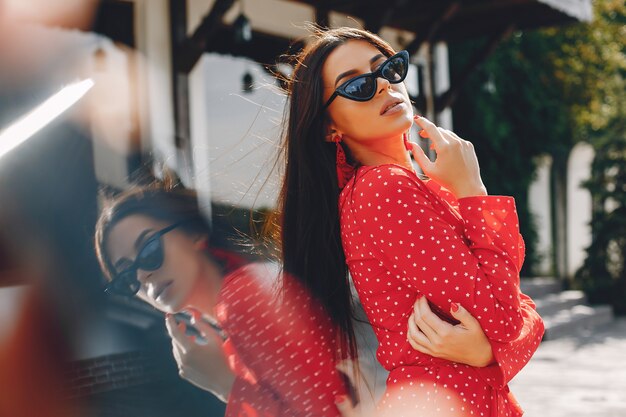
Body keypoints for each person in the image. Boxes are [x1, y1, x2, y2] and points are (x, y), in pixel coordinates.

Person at [277, 26, 544, 417]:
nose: (383, 85)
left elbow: (513, 311)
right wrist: (473, 188)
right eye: (357, 86)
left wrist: (492, 350)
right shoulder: (383, 190)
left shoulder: (416, 187)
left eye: (387, 69)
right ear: (329, 126)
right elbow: (505, 318)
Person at [94, 181, 499, 417]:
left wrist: (224, 385)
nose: (144, 276)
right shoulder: (236, 302)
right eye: (127, 276)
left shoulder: (240, 299)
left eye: (148, 251)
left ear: (193, 234)